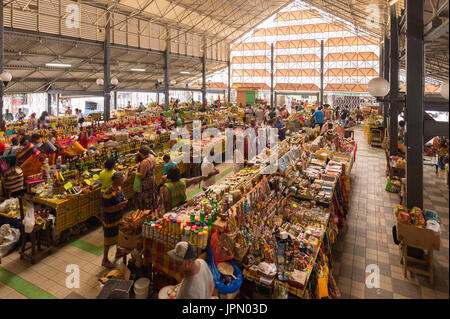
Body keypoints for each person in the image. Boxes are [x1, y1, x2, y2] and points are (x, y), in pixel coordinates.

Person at [101, 172, 128, 268]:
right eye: (121, 180)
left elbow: (121, 198)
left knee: (118, 235)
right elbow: (105, 209)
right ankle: (105, 259)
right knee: (108, 239)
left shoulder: (119, 188)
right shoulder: (107, 193)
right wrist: (118, 206)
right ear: (115, 180)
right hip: (110, 219)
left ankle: (118, 251)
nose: (122, 181)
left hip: (118, 217)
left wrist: (124, 200)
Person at [135, 146, 158, 211]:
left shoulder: (144, 162)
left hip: (146, 182)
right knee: (152, 195)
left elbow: (142, 175)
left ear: (143, 154)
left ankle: (147, 212)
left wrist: (135, 173)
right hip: (152, 178)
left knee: (146, 198)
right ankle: (152, 209)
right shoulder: (152, 157)